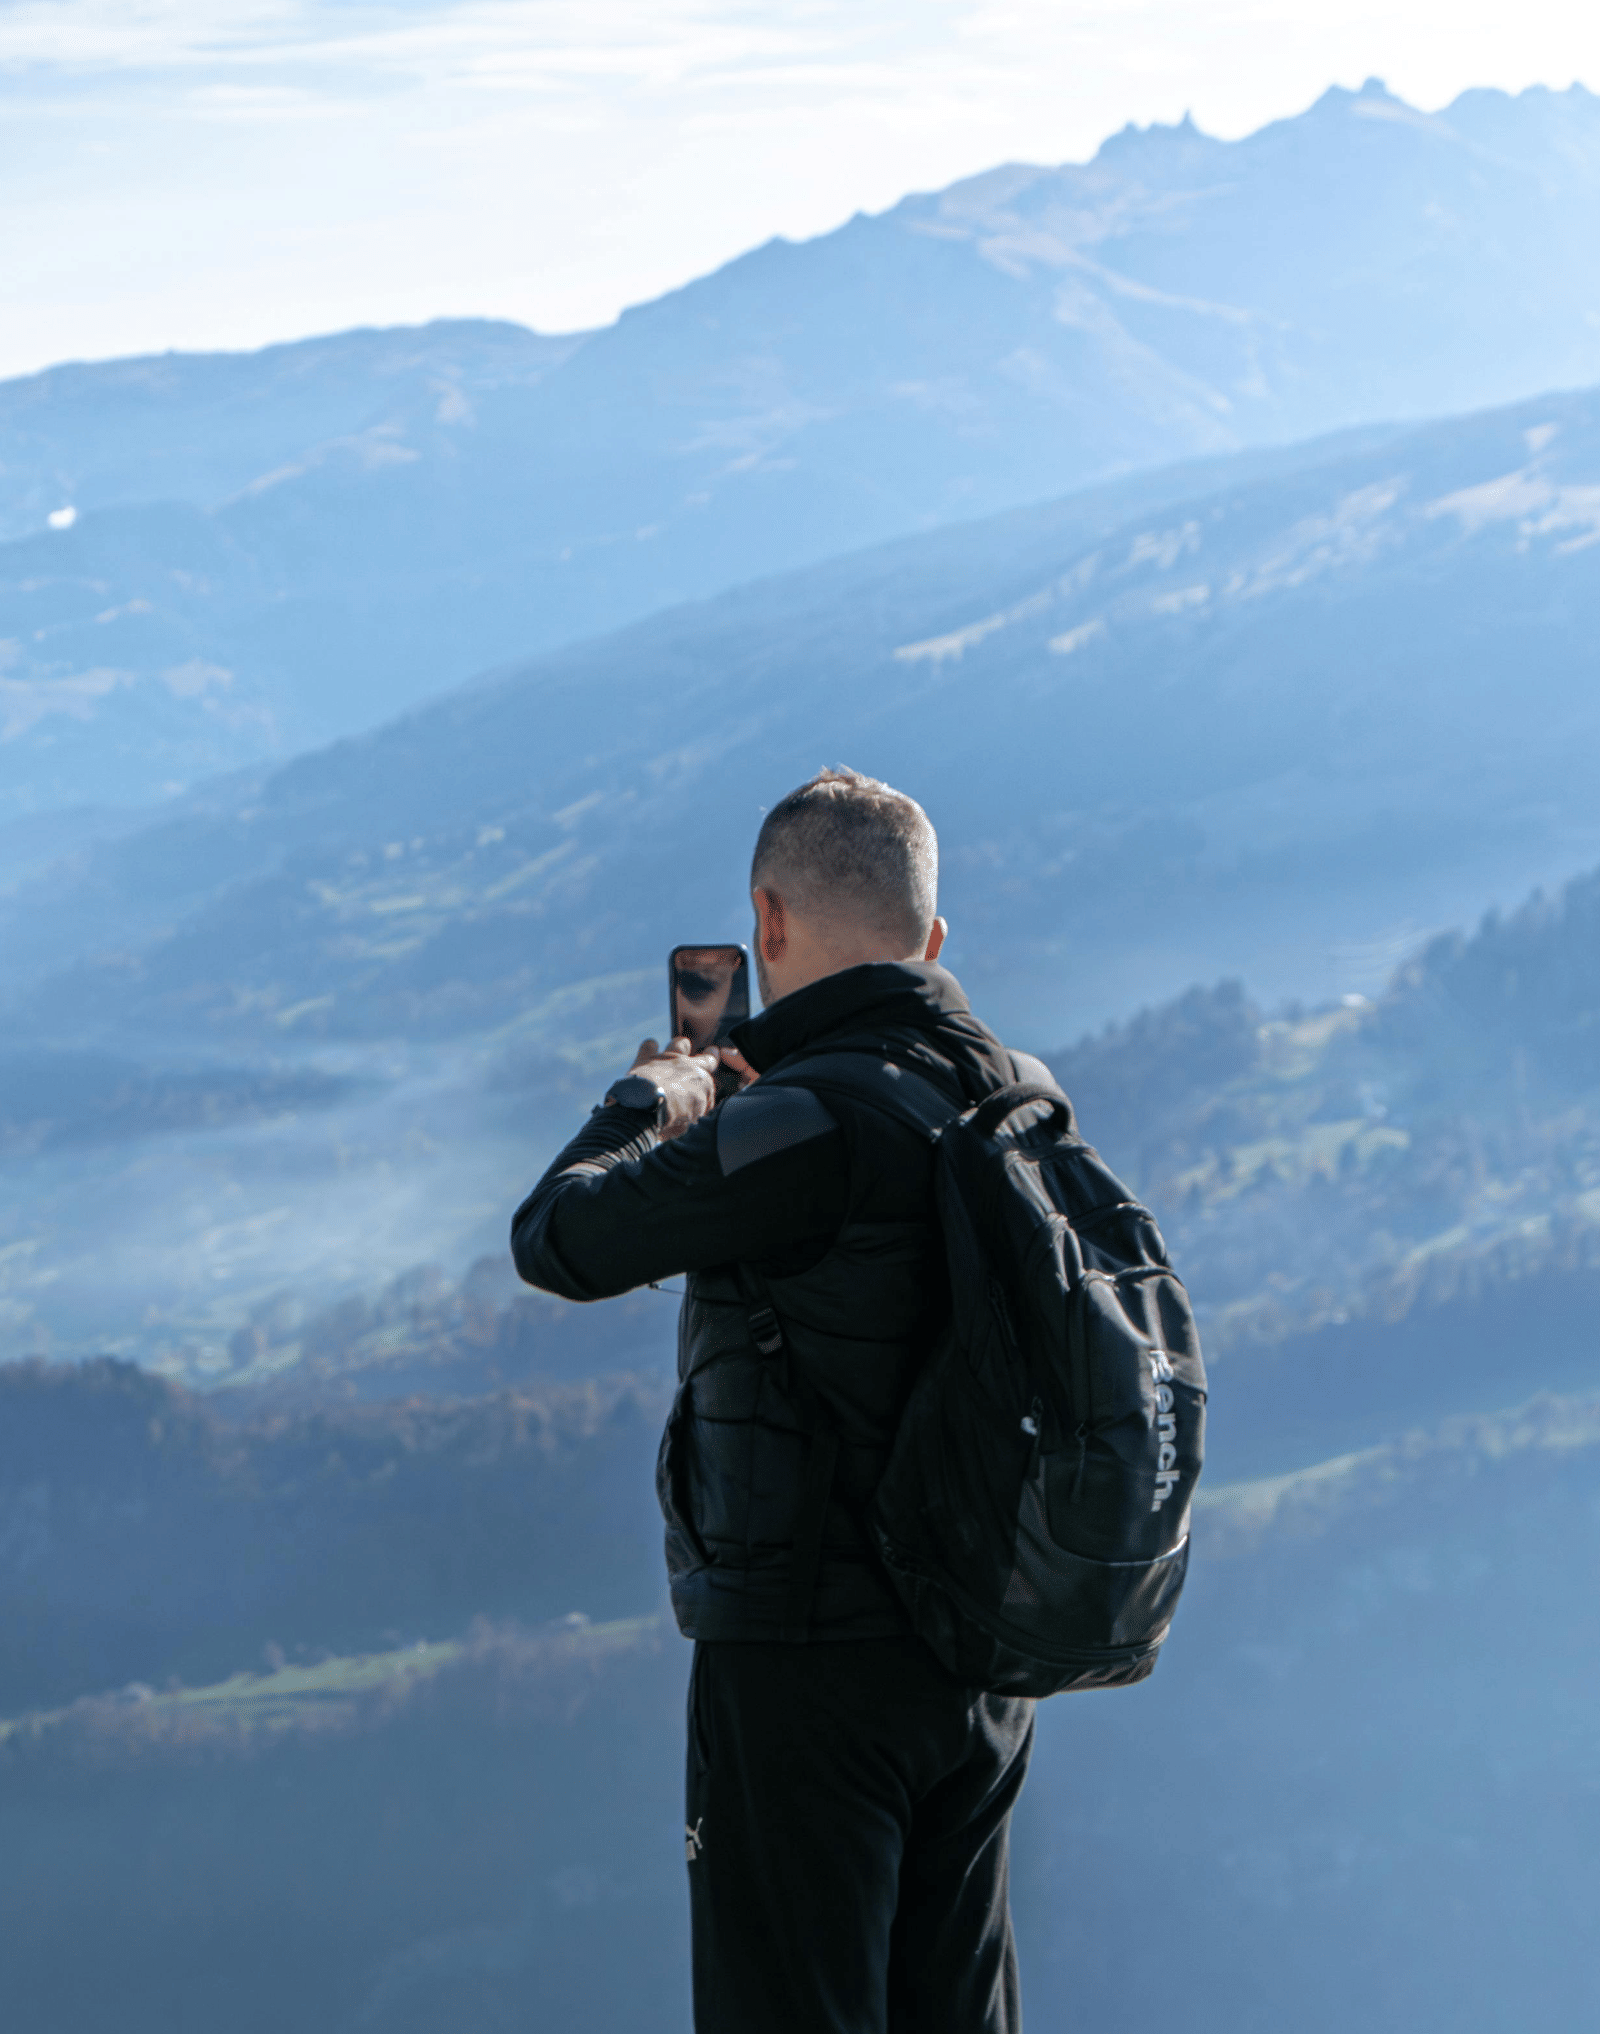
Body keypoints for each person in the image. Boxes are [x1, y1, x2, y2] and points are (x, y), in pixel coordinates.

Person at [511, 767, 1060, 2034]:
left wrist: (652, 1098)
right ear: (931, 941)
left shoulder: (802, 1120)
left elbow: (558, 1238)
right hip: (981, 1661)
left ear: (765, 924)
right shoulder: (1002, 1096)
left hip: (807, 1661)